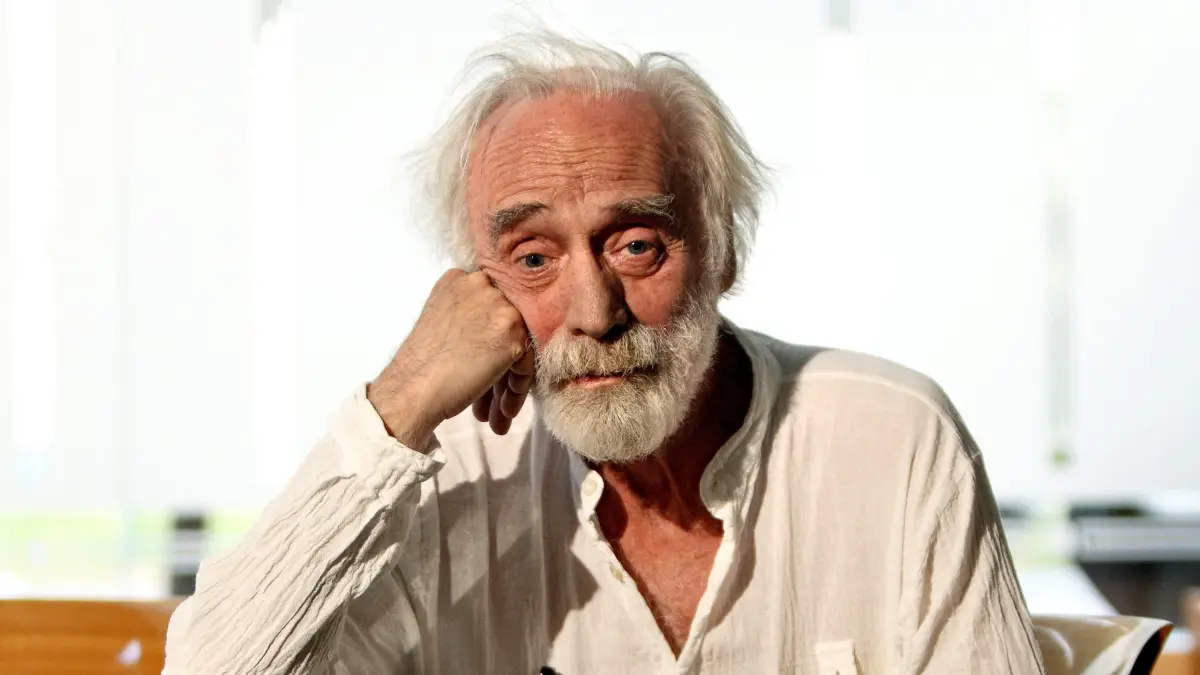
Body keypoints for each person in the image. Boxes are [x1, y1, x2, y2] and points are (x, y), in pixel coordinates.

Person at [162, 32, 1044, 675]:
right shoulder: (446, 475)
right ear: (475, 286)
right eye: (533, 258)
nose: (593, 312)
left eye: (636, 244)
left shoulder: (891, 437)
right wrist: (401, 399)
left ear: (724, 252)